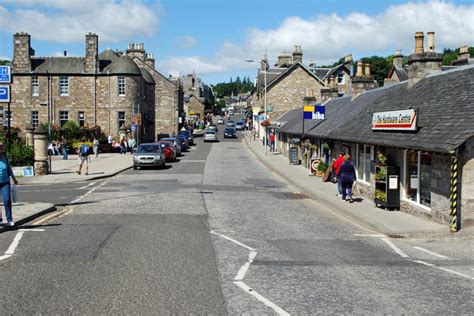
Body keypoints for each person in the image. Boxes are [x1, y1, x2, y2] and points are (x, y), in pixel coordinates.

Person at [0, 142, 19, 227]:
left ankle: (9, 219)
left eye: (1, 147)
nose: (0, 149)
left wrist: (14, 179)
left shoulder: (5, 157)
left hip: (5, 182)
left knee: (7, 200)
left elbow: (9, 169)